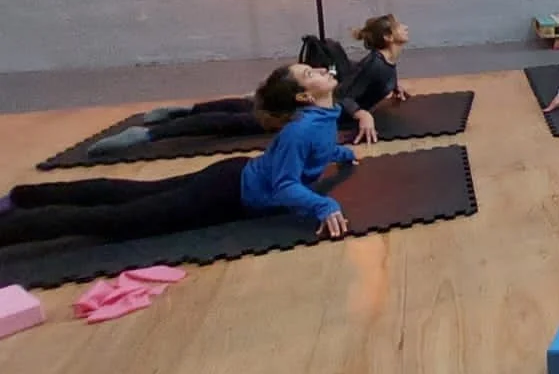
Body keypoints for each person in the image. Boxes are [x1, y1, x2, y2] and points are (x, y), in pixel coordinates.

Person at [1, 63, 360, 248]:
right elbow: (283, 186)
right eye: (309, 73)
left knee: (128, 193)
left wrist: (341, 153)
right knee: (118, 220)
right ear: (303, 97)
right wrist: (322, 205)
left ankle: (21, 197)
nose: (321, 70)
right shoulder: (301, 129)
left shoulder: (321, 118)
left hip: (231, 176)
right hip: (225, 192)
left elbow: (320, 148)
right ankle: (14, 219)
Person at [89, 14, 411, 154]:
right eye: (400, 27)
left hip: (315, 101)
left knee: (243, 108)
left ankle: (181, 111)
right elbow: (349, 95)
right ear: (388, 38)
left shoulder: (384, 63)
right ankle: (151, 132)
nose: (406, 28)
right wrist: (361, 115)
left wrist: (392, 88)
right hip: (315, 110)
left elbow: (364, 78)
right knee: (233, 121)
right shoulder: (375, 64)